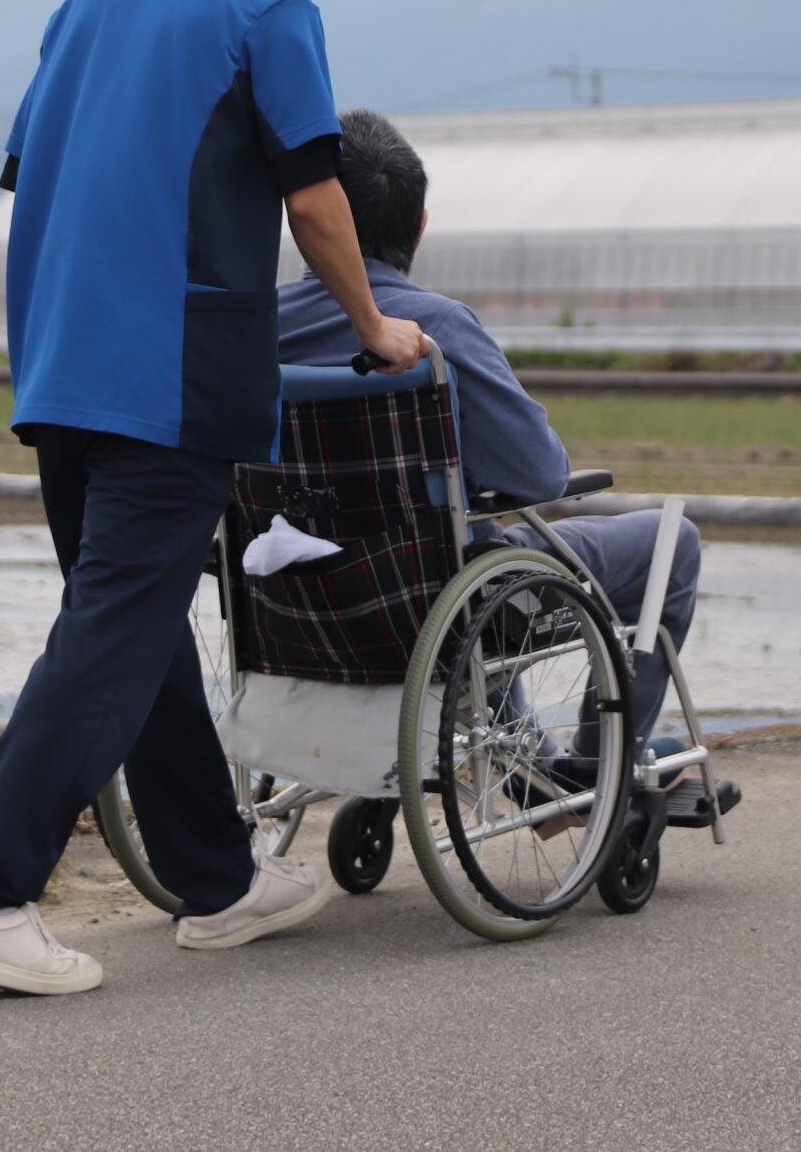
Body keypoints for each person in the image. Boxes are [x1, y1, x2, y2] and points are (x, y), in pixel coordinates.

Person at [0, 0, 427, 997]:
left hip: (59, 363)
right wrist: (378, 325)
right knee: (112, 629)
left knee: (131, 625)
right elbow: (314, 194)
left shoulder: (85, 5)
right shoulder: (263, 6)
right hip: (171, 368)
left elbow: (37, 178)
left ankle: (220, 877)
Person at [277, 109, 742, 826]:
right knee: (666, 543)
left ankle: (524, 754)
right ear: (421, 225)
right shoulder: (435, 330)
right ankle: (592, 767)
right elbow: (541, 474)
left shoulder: (257, 331)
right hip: (435, 599)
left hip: (295, 603)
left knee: (464, 546)